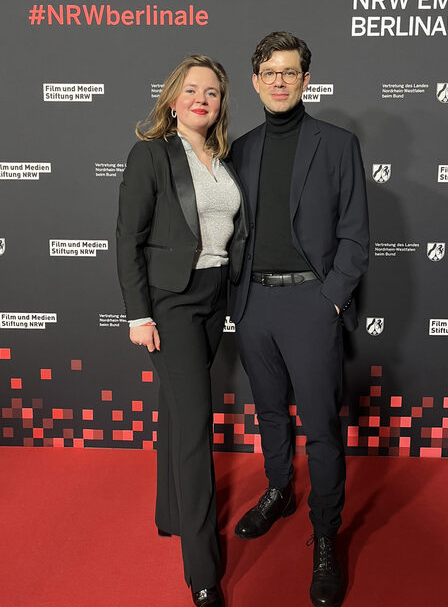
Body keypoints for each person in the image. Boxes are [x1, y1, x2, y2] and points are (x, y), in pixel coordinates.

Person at [230, 32, 369, 607]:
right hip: (253, 303)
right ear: (257, 81)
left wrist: (331, 299)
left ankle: (325, 535)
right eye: (270, 72)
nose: (280, 80)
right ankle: (280, 490)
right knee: (268, 412)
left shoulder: (337, 144)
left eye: (291, 71)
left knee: (320, 426)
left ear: (306, 80)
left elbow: (355, 234)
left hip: (311, 303)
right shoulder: (239, 147)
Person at [116, 54, 248, 607]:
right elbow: (127, 238)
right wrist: (138, 315)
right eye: (192, 90)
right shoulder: (150, 154)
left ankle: (168, 515)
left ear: (220, 104)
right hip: (171, 303)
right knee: (196, 428)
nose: (202, 99)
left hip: (215, 296)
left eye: (212, 92)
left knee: (177, 410)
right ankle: (202, 570)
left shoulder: (223, 156)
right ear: (173, 100)